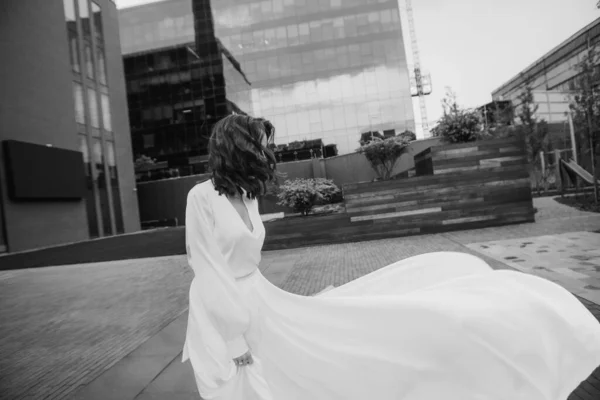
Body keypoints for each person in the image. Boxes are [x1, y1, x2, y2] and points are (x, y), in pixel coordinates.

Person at [182, 114, 600, 400]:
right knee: (246, 383)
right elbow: (206, 269)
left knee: (308, 364)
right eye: (257, 142)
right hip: (223, 311)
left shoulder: (250, 194)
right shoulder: (200, 197)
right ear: (235, 146)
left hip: (259, 299)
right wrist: (233, 335)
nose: (264, 149)